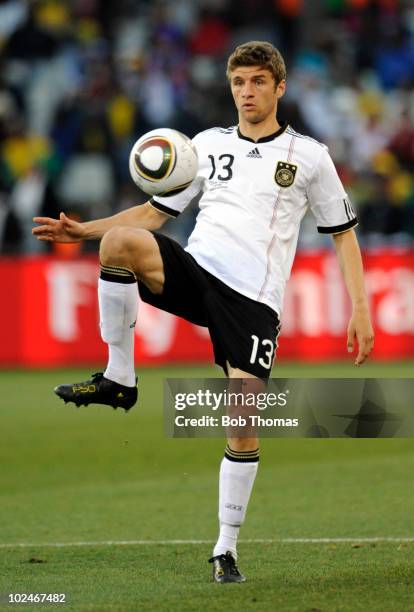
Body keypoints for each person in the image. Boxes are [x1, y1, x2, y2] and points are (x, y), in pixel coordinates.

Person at [32, 41, 374, 583]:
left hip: (253, 302)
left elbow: (343, 234)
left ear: (279, 87)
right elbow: (154, 211)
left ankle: (225, 548)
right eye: (239, 83)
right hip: (198, 271)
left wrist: (361, 307)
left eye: (258, 82)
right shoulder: (205, 146)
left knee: (242, 424)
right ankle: (120, 377)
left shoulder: (309, 156)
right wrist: (84, 230)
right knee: (120, 243)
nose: (246, 92)